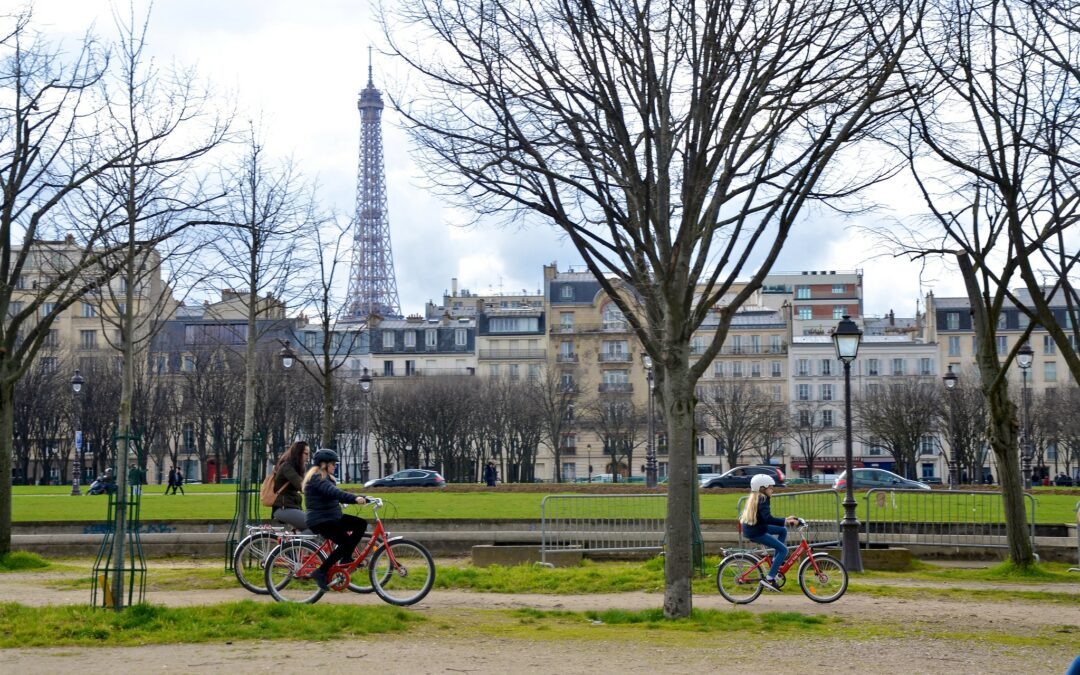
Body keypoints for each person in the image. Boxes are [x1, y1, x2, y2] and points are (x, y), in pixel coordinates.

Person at [304, 448, 370, 591]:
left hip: (332, 517)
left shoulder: (325, 477)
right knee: (345, 542)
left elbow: (331, 495)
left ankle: (346, 558)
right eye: (333, 463)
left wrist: (364, 498)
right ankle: (320, 571)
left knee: (360, 524)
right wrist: (354, 499)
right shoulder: (318, 477)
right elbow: (333, 492)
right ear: (324, 464)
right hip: (321, 520)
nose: (335, 466)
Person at [738, 474, 799, 592]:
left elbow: (766, 519)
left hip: (756, 528)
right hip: (756, 531)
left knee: (782, 530)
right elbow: (768, 518)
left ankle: (776, 563)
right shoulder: (762, 498)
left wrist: (785, 520)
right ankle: (769, 578)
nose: (773, 489)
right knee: (784, 550)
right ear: (762, 488)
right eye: (770, 487)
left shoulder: (757, 497)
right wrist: (786, 521)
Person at [271, 441, 310, 532]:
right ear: (298, 453)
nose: (308, 457)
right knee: (313, 525)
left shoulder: (296, 468)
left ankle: (300, 545)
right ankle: (301, 546)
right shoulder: (287, 467)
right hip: (283, 508)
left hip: (291, 507)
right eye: (306, 454)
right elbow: (302, 486)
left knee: (314, 526)